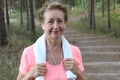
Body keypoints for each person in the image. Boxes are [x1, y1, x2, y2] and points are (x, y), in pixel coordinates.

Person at [17, 2, 87, 80]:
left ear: (65, 23)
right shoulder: (29, 52)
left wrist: (78, 72)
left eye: (59, 21)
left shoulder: (74, 51)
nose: (55, 26)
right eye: (50, 21)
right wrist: (29, 75)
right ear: (42, 24)